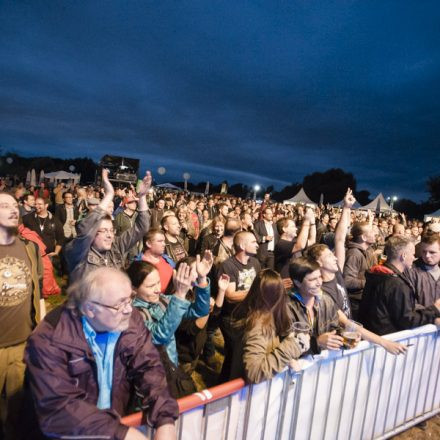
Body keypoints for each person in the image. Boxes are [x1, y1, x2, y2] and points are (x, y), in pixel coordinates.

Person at [25, 267, 178, 440]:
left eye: (130, 299)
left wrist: (165, 420)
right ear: (90, 308)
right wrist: (121, 433)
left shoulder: (128, 318)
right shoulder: (49, 340)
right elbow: (58, 407)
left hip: (113, 424)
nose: (129, 309)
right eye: (120, 303)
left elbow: (149, 366)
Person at [127, 252, 212, 397]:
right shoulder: (133, 314)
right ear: (133, 289)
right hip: (151, 377)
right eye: (150, 286)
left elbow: (199, 310)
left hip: (171, 366)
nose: (157, 289)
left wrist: (202, 280)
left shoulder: (162, 300)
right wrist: (179, 295)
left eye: (158, 282)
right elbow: (160, 336)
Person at [0, 192, 43, 440]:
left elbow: (37, 293)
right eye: (4, 206)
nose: (13, 209)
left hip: (22, 343)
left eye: (14, 205)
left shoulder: (30, 249)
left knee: (17, 406)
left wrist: (40, 327)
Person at [64, 169, 151, 282]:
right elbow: (84, 228)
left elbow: (142, 227)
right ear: (92, 233)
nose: (110, 235)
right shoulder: (79, 252)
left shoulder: (116, 246)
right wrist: (109, 195)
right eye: (104, 230)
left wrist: (142, 197)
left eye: (111, 230)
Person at [359, 236, 440, 335]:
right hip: (387, 340)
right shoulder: (397, 283)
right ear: (404, 256)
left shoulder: (378, 273)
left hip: (375, 335)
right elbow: (407, 321)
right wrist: (434, 310)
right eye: (413, 254)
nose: (414, 258)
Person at [240, 269, 307, 383]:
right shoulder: (257, 325)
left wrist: (288, 359)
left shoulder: (264, 316)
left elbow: (268, 351)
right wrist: (292, 347)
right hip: (251, 397)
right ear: (278, 295)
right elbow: (254, 372)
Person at [217, 231, 261, 381]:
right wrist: (256, 291)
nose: (257, 244)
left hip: (249, 315)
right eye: (253, 242)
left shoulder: (255, 263)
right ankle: (223, 386)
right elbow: (231, 295)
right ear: (242, 245)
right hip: (231, 318)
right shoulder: (227, 266)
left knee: (242, 353)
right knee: (233, 354)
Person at [343, 220, 377, 319]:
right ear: (363, 237)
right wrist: (369, 283)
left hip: (362, 300)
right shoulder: (354, 254)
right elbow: (347, 281)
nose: (374, 233)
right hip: (355, 304)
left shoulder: (366, 251)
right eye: (371, 232)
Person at [274, 208, 316, 279]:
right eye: (293, 227)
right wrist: (306, 221)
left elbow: (312, 240)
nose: (296, 229)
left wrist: (312, 223)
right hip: (287, 284)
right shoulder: (281, 244)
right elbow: (301, 245)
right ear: (284, 229)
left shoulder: (295, 242)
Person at [405, 232, 440, 307]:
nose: (427, 256)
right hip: (422, 317)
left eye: (432, 252)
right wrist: (431, 315)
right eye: (424, 252)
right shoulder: (411, 271)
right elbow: (409, 302)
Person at [139, 228, 174, 293]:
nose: (164, 244)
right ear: (148, 243)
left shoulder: (168, 260)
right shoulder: (138, 265)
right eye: (160, 241)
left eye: (164, 241)